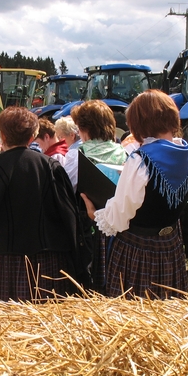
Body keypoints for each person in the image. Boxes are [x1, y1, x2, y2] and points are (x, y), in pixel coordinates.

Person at [81, 90, 188, 299]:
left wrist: (95, 213)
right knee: (167, 312)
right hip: (171, 246)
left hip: (137, 250)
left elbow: (119, 217)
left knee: (135, 317)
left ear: (138, 123)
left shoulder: (140, 161)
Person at [0, 107, 83, 301]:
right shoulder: (51, 167)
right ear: (33, 135)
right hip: (46, 263)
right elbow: (69, 218)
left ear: (3, 135)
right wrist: (77, 263)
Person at [68, 100, 127, 292]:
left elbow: (68, 188)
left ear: (85, 128)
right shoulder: (124, 152)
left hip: (88, 227)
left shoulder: (77, 154)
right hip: (119, 226)